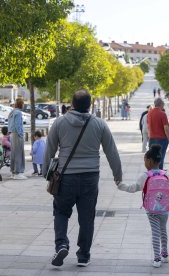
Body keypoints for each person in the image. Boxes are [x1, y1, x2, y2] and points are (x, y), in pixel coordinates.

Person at [43, 89, 122, 268]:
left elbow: (50, 149)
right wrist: (118, 175)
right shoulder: (99, 124)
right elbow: (112, 151)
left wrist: (46, 173)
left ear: (71, 104)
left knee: (61, 212)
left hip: (65, 177)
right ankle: (83, 256)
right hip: (90, 177)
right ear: (90, 105)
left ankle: (61, 244)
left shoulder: (59, 122)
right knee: (87, 217)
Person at [117, 144, 169, 268]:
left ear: (149, 161)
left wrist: (120, 185)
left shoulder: (145, 176)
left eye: (144, 159)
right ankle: (165, 254)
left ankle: (157, 258)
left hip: (151, 209)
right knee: (163, 230)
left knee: (155, 232)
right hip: (165, 210)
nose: (144, 162)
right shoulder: (166, 175)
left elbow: (133, 188)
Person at [147, 98, 169, 169]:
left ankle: (152, 174)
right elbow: (166, 128)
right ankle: (159, 174)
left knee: (153, 158)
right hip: (162, 139)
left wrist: (149, 136)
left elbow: (148, 126)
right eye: (163, 104)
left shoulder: (149, 113)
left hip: (152, 138)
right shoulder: (163, 114)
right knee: (160, 157)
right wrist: (168, 138)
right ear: (161, 104)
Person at [8, 98, 27, 180]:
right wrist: (21, 134)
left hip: (12, 134)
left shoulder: (12, 112)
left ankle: (13, 171)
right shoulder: (18, 113)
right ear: (21, 104)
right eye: (23, 104)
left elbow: (9, 123)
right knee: (19, 153)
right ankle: (18, 172)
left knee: (14, 153)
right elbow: (18, 125)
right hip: (17, 134)